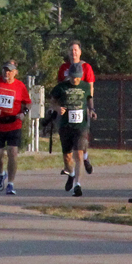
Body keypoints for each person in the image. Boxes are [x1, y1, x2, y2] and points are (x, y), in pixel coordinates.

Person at [0, 60, 32, 196]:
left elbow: (28, 103)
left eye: (10, 71)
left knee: (12, 152)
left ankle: (10, 184)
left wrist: (23, 113)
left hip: (13, 124)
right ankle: (1, 173)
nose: (6, 73)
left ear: (15, 72)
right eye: (5, 70)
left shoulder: (20, 86)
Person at [51, 62, 94, 197]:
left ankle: (77, 185)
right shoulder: (61, 87)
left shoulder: (85, 86)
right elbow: (52, 101)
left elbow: (89, 99)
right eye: (73, 77)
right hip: (65, 126)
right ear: (69, 76)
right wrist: (57, 108)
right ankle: (72, 174)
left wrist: (91, 110)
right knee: (67, 157)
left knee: (79, 154)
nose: (75, 79)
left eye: (77, 77)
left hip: (80, 126)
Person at [57, 41, 96, 176]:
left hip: (81, 107)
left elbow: (90, 88)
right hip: (67, 108)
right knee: (67, 137)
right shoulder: (64, 68)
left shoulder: (86, 67)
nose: (73, 53)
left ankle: (84, 157)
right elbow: (59, 88)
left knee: (81, 137)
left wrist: (90, 107)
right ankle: (69, 168)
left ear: (80, 52)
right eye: (71, 50)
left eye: (75, 50)